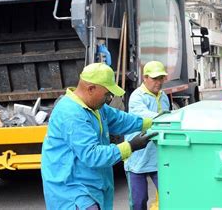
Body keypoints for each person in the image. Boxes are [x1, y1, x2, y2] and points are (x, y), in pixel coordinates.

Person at [41, 63, 157, 210]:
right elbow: (92, 154)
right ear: (91, 89)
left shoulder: (94, 107)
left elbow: (120, 120)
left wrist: (154, 122)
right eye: (107, 94)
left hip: (90, 184)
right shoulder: (71, 114)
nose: (109, 98)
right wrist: (131, 146)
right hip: (71, 188)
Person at [124, 61, 171, 210]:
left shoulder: (163, 96)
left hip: (158, 157)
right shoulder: (137, 97)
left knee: (168, 194)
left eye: (161, 78)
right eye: (155, 78)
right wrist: (163, 117)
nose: (158, 82)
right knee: (139, 201)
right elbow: (143, 116)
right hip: (137, 158)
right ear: (145, 78)